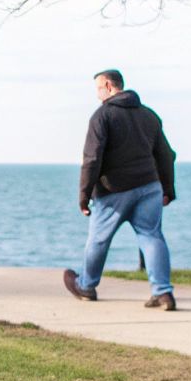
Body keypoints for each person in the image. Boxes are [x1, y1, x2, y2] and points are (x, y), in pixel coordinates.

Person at [62, 69, 177, 309]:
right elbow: (166, 155)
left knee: (98, 240)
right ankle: (163, 293)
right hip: (149, 187)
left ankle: (86, 286)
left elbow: (92, 159)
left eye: (97, 89)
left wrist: (84, 196)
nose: (97, 94)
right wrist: (167, 189)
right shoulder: (149, 116)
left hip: (114, 191)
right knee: (152, 236)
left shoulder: (102, 116)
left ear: (107, 85)